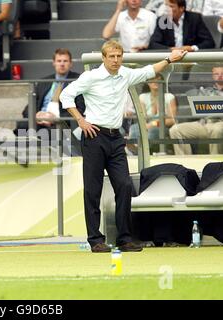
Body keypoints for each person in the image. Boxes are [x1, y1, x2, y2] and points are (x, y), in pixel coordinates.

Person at [59, 39, 187, 253]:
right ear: (103, 57)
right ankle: (95, 240)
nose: (116, 60)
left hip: (115, 138)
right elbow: (66, 96)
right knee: (93, 190)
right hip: (94, 136)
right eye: (112, 56)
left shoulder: (125, 74)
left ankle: (124, 238)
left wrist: (169, 58)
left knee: (125, 185)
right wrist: (81, 120)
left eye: (119, 56)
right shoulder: (91, 77)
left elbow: (148, 71)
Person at [15, 48, 85, 134]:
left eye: (65, 61)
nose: (62, 64)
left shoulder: (78, 80)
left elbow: (80, 109)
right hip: (40, 120)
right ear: (54, 63)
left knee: (48, 132)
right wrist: (36, 115)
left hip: (60, 121)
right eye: (59, 61)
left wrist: (55, 118)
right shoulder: (43, 81)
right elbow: (28, 108)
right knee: (21, 126)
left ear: (70, 63)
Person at [169, 65, 223, 155]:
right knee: (175, 130)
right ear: (213, 76)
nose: (220, 76)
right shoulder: (204, 91)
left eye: (222, 73)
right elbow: (184, 88)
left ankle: (216, 166)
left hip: (220, 123)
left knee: (217, 130)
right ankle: (184, 164)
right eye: (216, 74)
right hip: (204, 123)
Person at [127, 74, 177, 153]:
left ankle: (142, 150)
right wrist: (145, 125)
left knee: (153, 131)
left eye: (158, 79)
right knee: (134, 128)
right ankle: (135, 148)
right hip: (147, 125)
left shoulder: (169, 97)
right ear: (148, 82)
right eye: (153, 79)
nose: (155, 82)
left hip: (162, 126)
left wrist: (154, 123)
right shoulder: (142, 97)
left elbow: (172, 120)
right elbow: (142, 118)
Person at [148, 0, 215, 51]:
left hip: (191, 58)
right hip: (170, 58)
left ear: (181, 8)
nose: (167, 9)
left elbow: (209, 42)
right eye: (166, 6)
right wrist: (170, 49)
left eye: (171, 6)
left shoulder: (194, 19)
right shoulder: (163, 20)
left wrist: (192, 48)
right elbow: (153, 44)